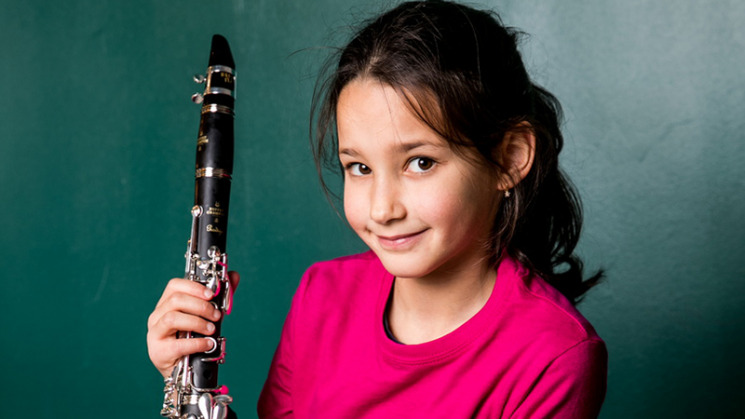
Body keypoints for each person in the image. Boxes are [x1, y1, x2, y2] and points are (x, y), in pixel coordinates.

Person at [147, 0, 608, 417]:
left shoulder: (554, 356)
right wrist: (179, 375)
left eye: (420, 162)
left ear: (509, 159)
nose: (383, 209)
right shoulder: (321, 294)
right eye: (359, 167)